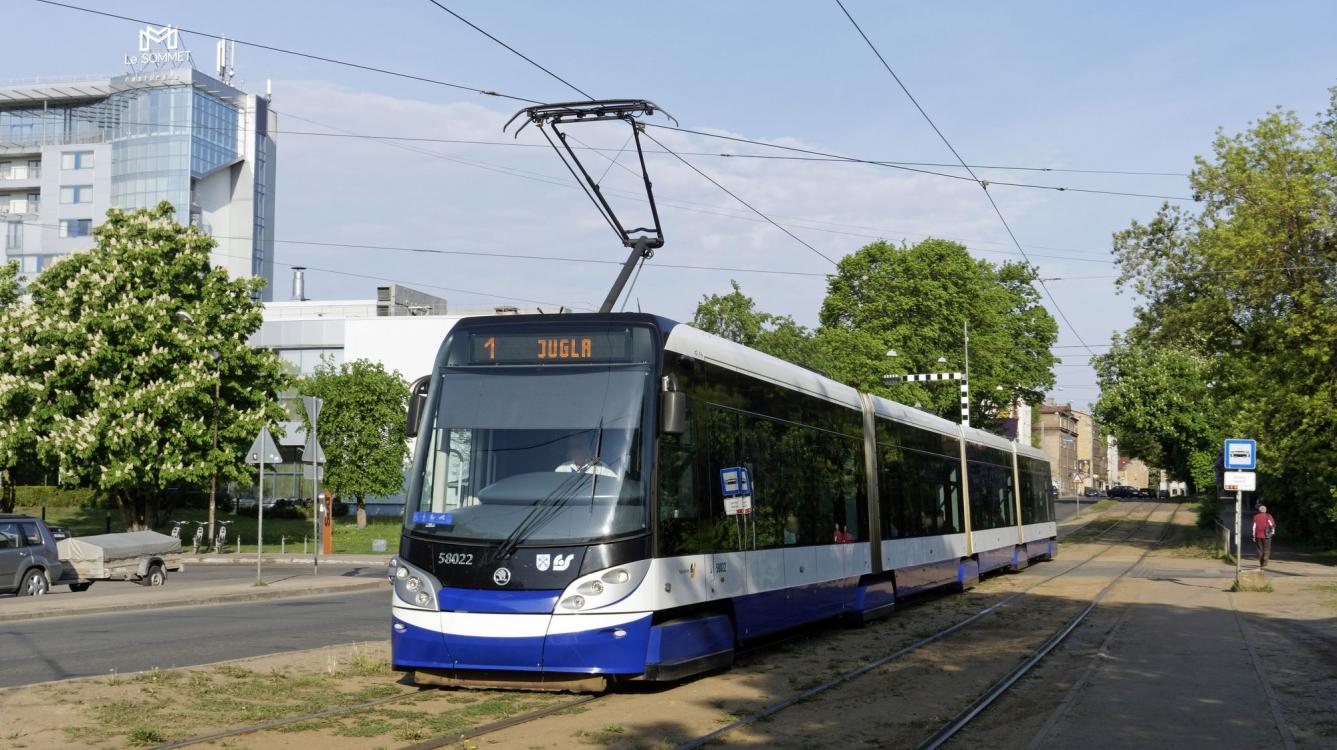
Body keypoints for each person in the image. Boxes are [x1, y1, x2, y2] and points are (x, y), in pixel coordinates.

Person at [1252, 504, 1277, 568]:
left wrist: (1254, 536)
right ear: (1265, 510)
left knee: (1260, 549)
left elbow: (1254, 527)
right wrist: (1272, 532)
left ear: (1259, 510)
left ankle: (1261, 562)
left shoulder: (1256, 517)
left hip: (1258, 535)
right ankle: (1265, 562)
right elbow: (1272, 525)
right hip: (1266, 535)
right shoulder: (1268, 516)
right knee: (1267, 549)